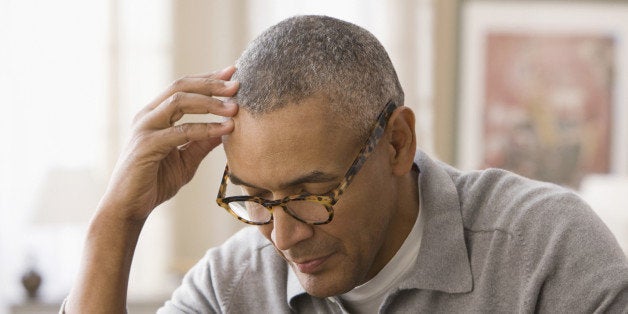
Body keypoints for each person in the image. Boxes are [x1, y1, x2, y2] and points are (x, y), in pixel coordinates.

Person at [65, 15, 627, 313]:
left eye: (314, 190)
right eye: (255, 198)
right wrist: (115, 222)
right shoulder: (233, 285)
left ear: (397, 143)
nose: (283, 237)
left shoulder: (545, 247)